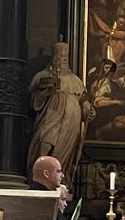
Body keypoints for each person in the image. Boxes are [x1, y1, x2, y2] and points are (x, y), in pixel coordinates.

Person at [28, 42, 95, 182]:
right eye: (59, 57)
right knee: (44, 140)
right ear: (53, 58)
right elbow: (33, 100)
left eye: (64, 58)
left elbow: (83, 100)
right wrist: (45, 92)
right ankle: (38, 178)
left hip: (70, 121)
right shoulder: (43, 76)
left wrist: (88, 110)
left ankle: (59, 178)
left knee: (63, 150)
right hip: (52, 115)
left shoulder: (75, 80)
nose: (62, 60)